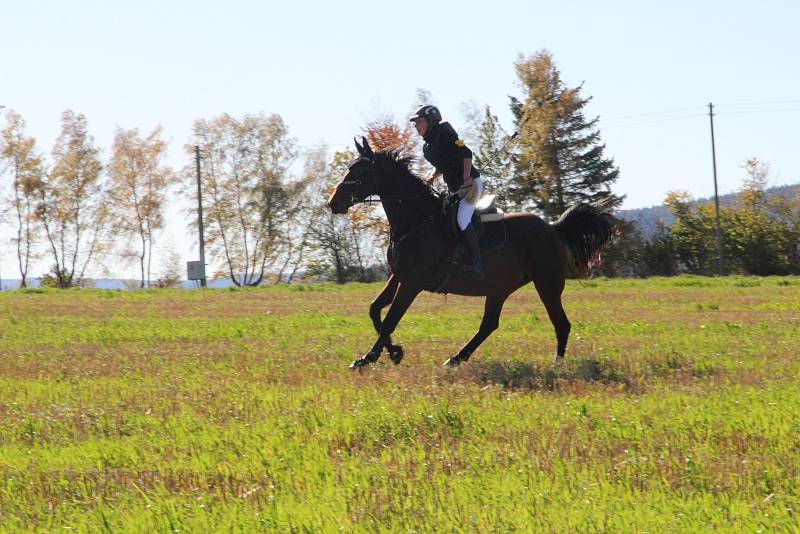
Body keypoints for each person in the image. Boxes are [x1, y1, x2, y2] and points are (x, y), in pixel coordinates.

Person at [409, 104, 484, 277]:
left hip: (472, 186)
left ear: (431, 121)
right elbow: (442, 166)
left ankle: (478, 263)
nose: (416, 126)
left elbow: (466, 153)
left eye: (419, 122)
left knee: (462, 220)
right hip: (455, 191)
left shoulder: (445, 132)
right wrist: (432, 177)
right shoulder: (427, 148)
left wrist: (466, 177)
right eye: (416, 123)